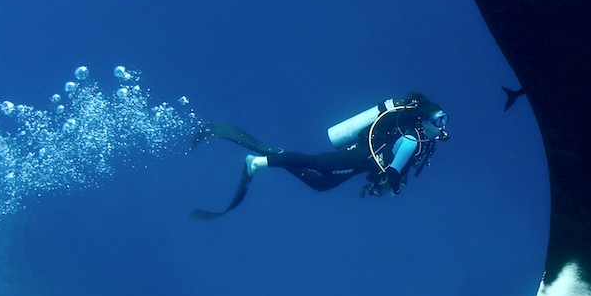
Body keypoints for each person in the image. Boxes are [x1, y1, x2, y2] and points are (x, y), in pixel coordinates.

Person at [191, 93, 449, 219]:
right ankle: (259, 163)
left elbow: (395, 170)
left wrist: (390, 182)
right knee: (315, 164)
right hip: (360, 157)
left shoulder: (420, 141)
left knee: (321, 184)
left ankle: (279, 157)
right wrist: (395, 189)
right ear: (427, 119)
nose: (443, 127)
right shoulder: (412, 139)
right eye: (440, 121)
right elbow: (394, 171)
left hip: (362, 162)